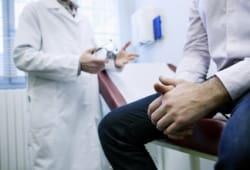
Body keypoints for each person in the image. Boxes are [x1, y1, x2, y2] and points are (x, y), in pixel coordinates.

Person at [98, 0, 250, 169]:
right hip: (220, 80)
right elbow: (196, 49)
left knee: (241, 147)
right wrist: (180, 90)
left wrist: (215, 89)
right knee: (115, 129)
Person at [13, 0, 138, 170]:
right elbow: (22, 56)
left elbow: (91, 58)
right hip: (55, 113)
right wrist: (75, 63)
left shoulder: (83, 19)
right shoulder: (34, 10)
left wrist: (114, 61)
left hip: (85, 108)